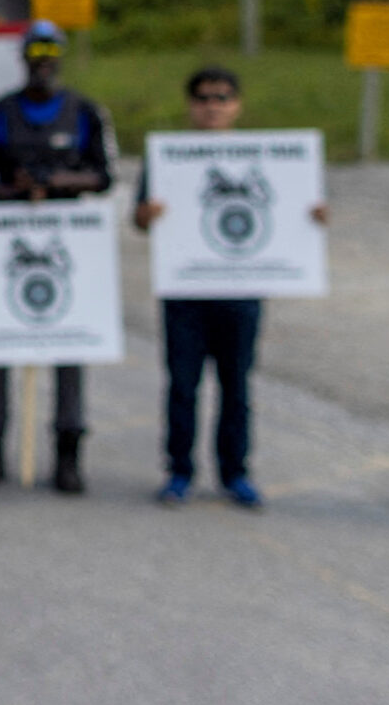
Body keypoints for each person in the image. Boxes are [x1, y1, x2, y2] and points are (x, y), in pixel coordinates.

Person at [131, 67, 327, 512]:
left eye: (221, 97)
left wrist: (312, 217)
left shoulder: (266, 159)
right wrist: (148, 213)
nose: (212, 106)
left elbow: (298, 211)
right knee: (183, 386)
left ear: (236, 104)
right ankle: (179, 469)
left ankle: (235, 471)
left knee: (236, 387)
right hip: (185, 292)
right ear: (190, 105)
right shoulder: (168, 159)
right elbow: (139, 221)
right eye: (203, 98)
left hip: (241, 292)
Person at [0, 20, 113, 494]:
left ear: (61, 57)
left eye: (51, 53)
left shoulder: (84, 112)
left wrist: (55, 185)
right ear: (24, 57)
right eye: (36, 53)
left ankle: (69, 452)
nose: (43, 62)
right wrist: (13, 188)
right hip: (8, 243)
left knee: (69, 345)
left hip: (66, 244)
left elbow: (102, 176)